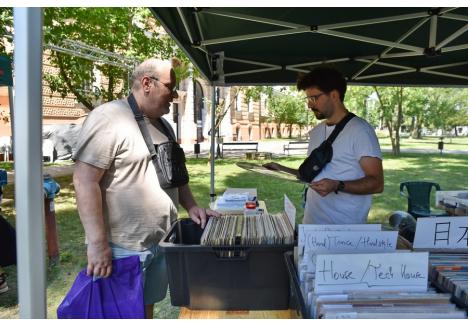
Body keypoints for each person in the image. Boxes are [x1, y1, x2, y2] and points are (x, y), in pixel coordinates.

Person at [73, 59, 219, 318]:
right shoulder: (108, 117)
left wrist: (192, 206)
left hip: (161, 241)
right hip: (122, 248)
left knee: (144, 311)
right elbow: (85, 181)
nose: (174, 96)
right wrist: (97, 243)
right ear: (147, 83)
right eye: (170, 88)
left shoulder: (164, 125)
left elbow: (176, 176)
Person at [264, 66, 383, 224]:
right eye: (307, 99)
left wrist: (337, 185)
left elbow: (377, 183)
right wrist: (280, 168)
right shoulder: (317, 132)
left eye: (314, 98)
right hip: (312, 223)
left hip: (344, 230)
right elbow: (313, 175)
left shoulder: (360, 131)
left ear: (334, 95)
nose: (309, 105)